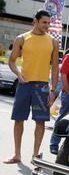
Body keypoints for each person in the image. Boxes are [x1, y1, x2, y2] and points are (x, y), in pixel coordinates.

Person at [4, 9, 59, 164]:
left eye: (49, 23)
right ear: (35, 20)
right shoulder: (22, 38)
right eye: (44, 22)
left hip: (42, 86)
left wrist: (53, 90)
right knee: (19, 119)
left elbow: (55, 68)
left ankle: (35, 156)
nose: (47, 25)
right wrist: (18, 74)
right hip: (24, 84)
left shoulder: (52, 42)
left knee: (40, 121)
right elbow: (12, 61)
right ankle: (17, 154)